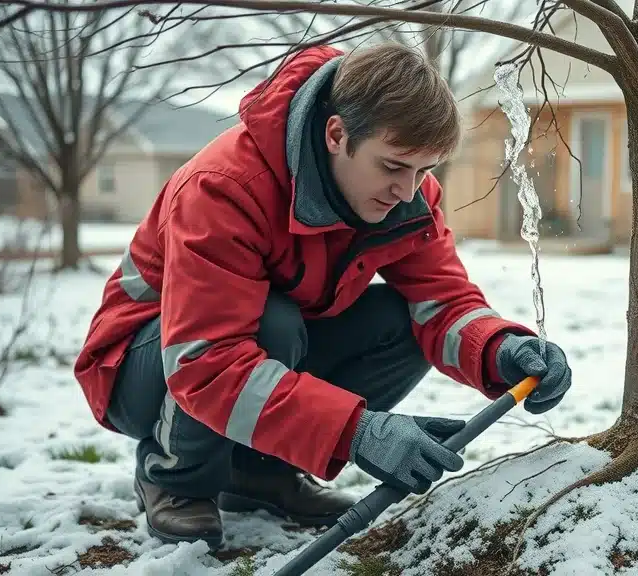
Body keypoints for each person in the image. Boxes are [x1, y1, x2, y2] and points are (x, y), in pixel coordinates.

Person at [72, 41, 573, 550]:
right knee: (273, 321)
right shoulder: (222, 186)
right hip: (142, 368)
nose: (409, 189)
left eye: (425, 170)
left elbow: (441, 303)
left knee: (401, 322)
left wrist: (500, 348)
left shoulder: (407, 196)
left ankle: (261, 474)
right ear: (337, 134)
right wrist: (356, 432)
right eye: (394, 165)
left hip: (252, 348)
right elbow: (208, 360)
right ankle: (173, 476)